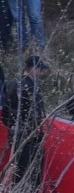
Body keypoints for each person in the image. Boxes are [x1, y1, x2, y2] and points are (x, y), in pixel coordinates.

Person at [1, 56, 47, 184]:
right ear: (35, 69)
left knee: (18, 169)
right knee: (29, 172)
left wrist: (12, 127)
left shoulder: (13, 83)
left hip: (16, 133)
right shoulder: (30, 86)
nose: (41, 73)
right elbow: (36, 114)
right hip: (29, 135)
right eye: (40, 69)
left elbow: (6, 110)